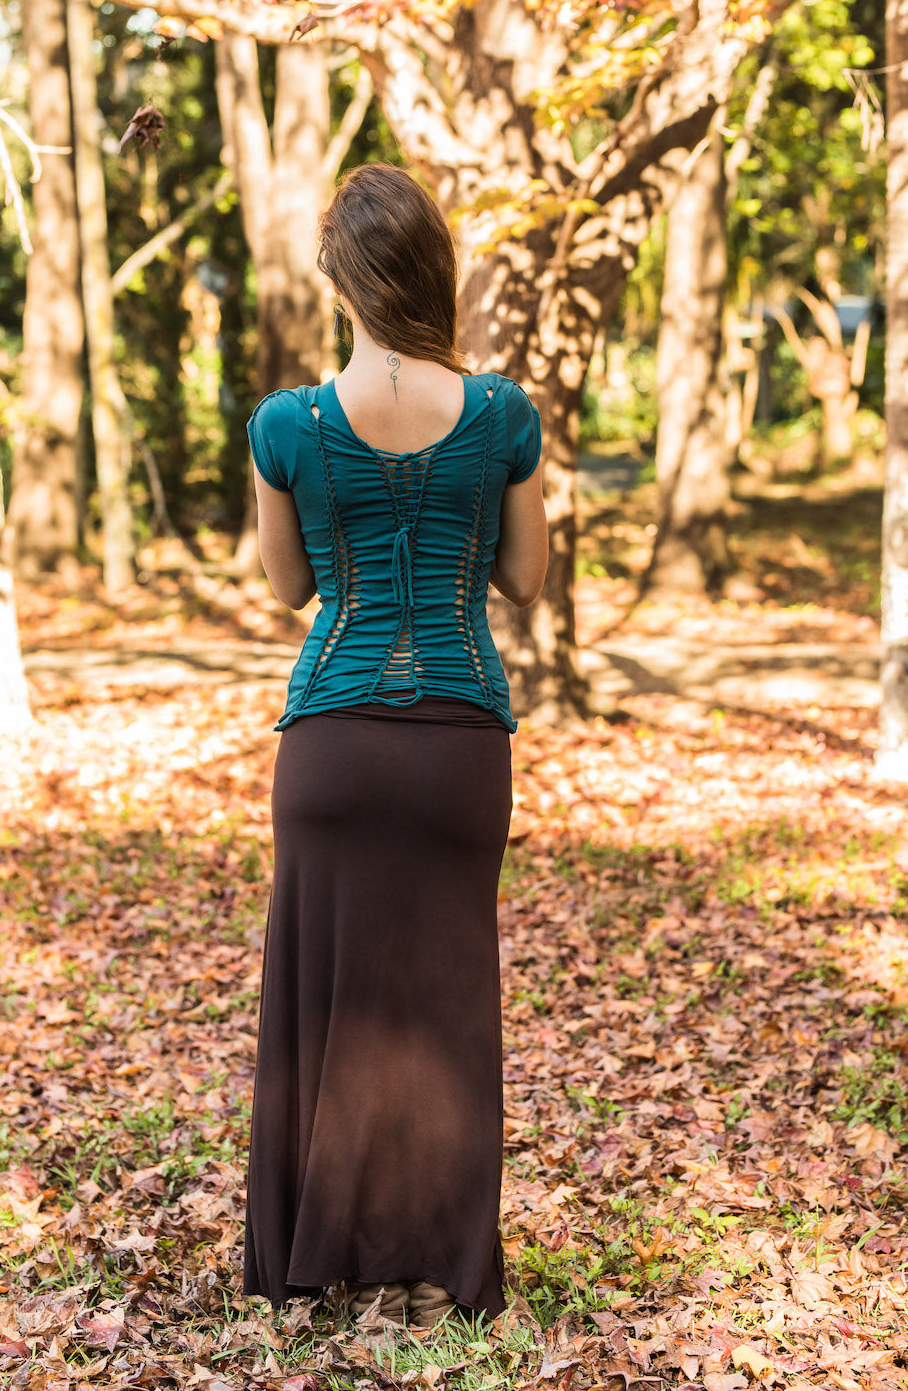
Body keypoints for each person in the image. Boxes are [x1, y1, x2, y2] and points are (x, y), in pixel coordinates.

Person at [242, 163, 548, 1329]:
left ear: (341, 279)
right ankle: (440, 1270)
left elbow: (289, 587)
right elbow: (522, 580)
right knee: (445, 1003)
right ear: (435, 271)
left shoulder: (288, 425)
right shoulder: (503, 415)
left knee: (321, 1006)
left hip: (329, 746)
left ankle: (315, 1262)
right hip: (459, 741)